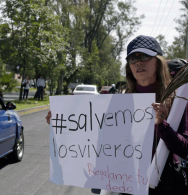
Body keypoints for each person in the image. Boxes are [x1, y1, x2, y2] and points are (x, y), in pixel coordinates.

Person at [46, 35, 188, 194]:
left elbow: (184, 149)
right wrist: (62, 124)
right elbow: (98, 142)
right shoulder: (118, 103)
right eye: (133, 58)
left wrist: (163, 125)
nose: (138, 62)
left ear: (159, 61)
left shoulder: (177, 101)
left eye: (145, 56)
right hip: (127, 187)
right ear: (129, 67)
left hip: (165, 187)